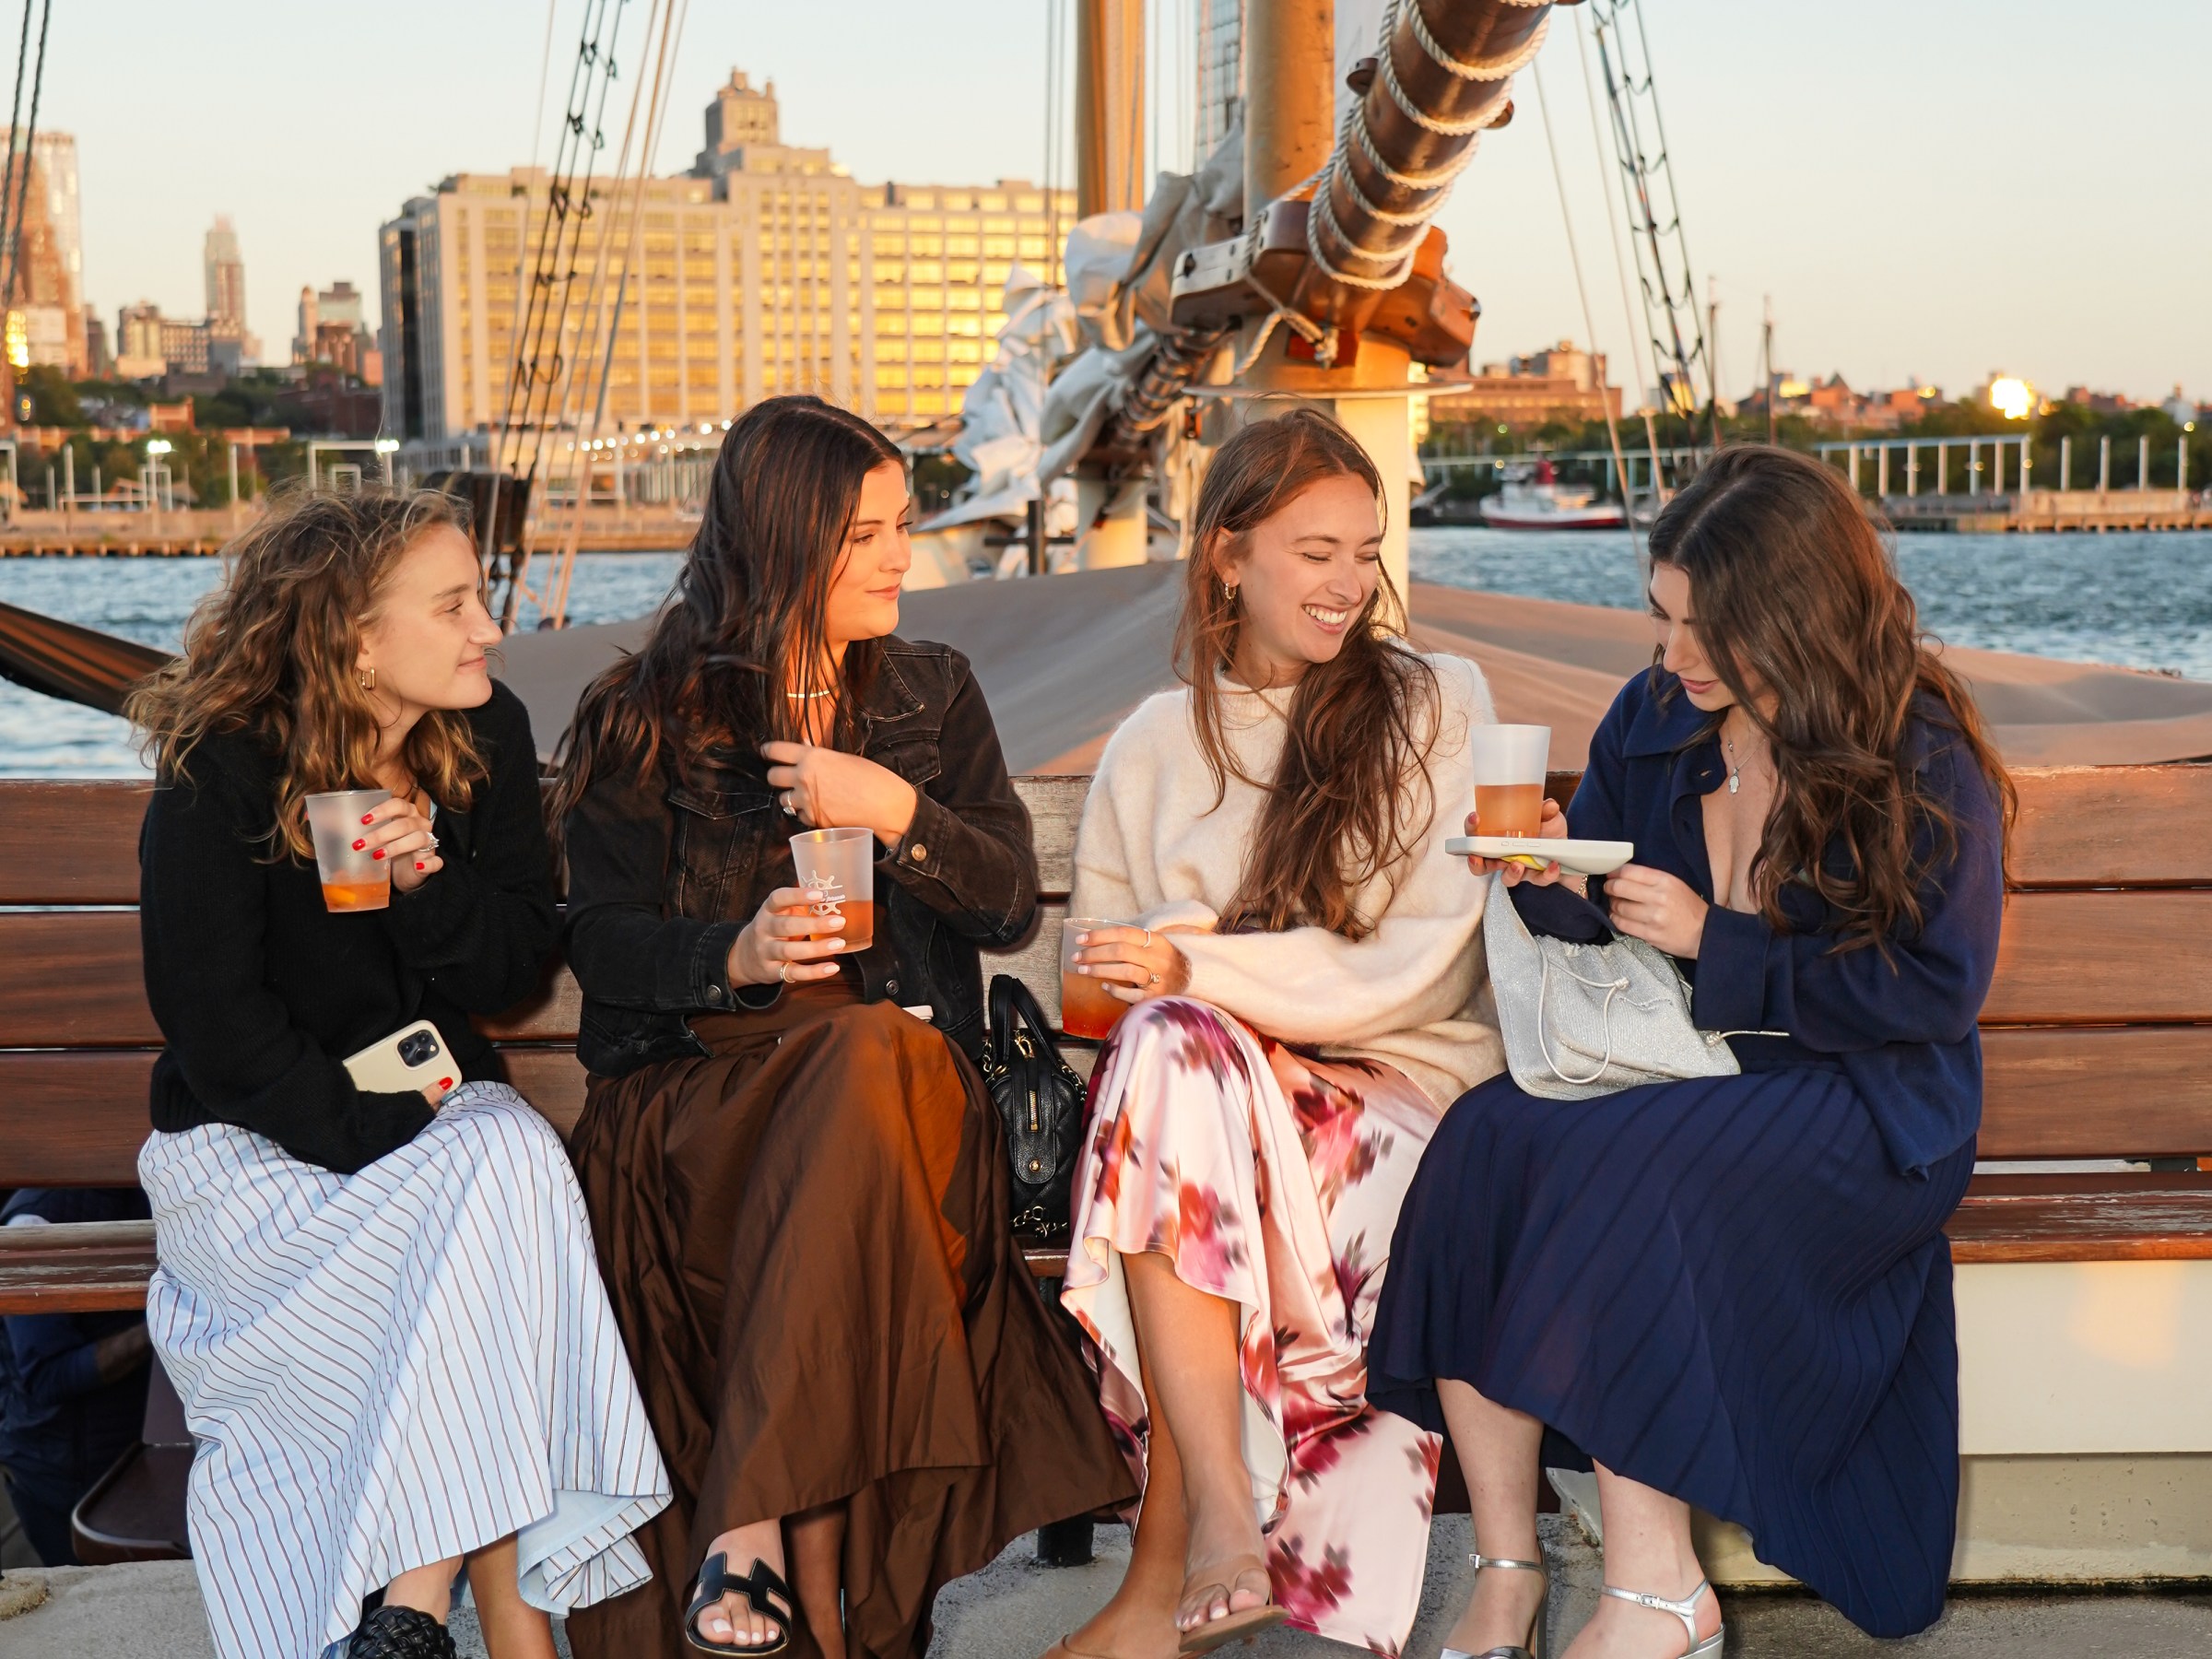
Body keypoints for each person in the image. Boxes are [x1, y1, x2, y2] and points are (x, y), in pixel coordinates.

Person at [1371, 443, 2013, 1658]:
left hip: (1865, 1105)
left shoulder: (1918, 749)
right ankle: (1507, 1566)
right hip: (1685, 1068)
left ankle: (1660, 1592)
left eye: (1707, 630)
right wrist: (1549, 874)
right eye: (1663, 619)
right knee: (1481, 1143)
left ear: (1800, 613)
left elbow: (1934, 989)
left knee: (1627, 1173)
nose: (1675, 656)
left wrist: (1726, 944)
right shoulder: (1658, 714)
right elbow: (1609, 917)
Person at [553, 394, 1128, 1659]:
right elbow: (596, 944)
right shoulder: (645, 714)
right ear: (781, 538)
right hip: (700, 1108)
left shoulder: (931, 692)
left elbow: (996, 902)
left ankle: (747, 1529)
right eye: (865, 533)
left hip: (908, 1094)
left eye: (904, 525)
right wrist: (737, 953)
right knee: (859, 1109)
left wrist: (895, 809)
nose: (899, 557)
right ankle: (836, 1618)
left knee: (873, 1057)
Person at [125, 489, 670, 1659]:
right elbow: (217, 1029)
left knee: (501, 1166)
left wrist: (431, 882)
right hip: (255, 1157)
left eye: (481, 597)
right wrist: (374, 1139)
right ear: (357, 637)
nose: (490, 628)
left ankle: (410, 1618)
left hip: (434, 1145)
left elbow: (516, 968)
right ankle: (512, 1638)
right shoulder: (224, 765)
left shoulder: (483, 737)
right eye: (457, 604)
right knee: (504, 1183)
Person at [1051, 409, 1503, 1659]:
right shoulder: (1152, 744)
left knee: (1181, 1041)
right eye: (1316, 552)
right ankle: (1216, 1531)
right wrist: (1153, 980)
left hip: (1391, 1107)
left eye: (1366, 550)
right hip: (1198, 1122)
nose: (1351, 583)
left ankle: (1187, 1543)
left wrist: (1192, 960)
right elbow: (1098, 1000)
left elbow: (1420, 965)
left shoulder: (1432, 703)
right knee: (1172, 1050)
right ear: (1228, 558)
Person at [0, 1188, 153, 1567]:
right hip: (64, 1479)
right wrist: (158, 1326)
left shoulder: (146, 1188)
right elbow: (48, 1375)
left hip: (125, 1461)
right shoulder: (33, 1223)